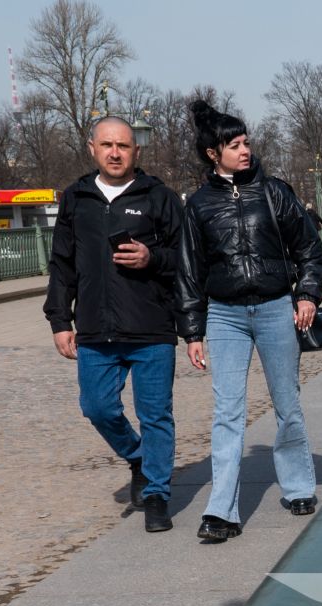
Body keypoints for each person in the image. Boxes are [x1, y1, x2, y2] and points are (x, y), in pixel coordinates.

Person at [176, 100, 322, 543]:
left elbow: (309, 250)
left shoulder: (274, 192)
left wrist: (307, 294)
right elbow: (188, 271)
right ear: (212, 153)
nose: (245, 150)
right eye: (234, 144)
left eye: (246, 142)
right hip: (224, 316)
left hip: (277, 307)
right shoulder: (199, 205)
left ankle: (299, 486)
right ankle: (222, 511)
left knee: (287, 403)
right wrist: (192, 331)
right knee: (227, 413)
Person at [43, 115, 195, 534]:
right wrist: (60, 318)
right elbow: (62, 263)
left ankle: (158, 495)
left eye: (123, 146)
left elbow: (186, 260)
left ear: (136, 152)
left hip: (151, 326)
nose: (115, 152)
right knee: (96, 406)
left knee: (156, 415)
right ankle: (138, 458)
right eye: (107, 145)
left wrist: (152, 258)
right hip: (95, 327)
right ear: (92, 148)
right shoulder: (76, 198)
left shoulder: (160, 197)